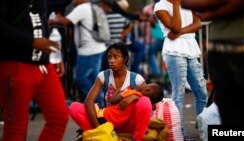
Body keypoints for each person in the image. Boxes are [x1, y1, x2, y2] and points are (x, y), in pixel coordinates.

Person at [0, 0, 69, 140]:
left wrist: (54, 56)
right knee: (16, 129)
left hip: (43, 65)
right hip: (15, 64)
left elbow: (42, 22)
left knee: (59, 118)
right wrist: (31, 42)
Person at [181, 0, 244, 125]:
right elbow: (187, 2)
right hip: (219, 50)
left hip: (242, 48)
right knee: (229, 115)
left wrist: (213, 13)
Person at [69, 43, 153, 141]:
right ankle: (99, 135)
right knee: (74, 107)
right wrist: (100, 129)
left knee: (145, 100)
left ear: (125, 58)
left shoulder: (137, 79)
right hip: (108, 124)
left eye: (116, 57)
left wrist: (134, 97)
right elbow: (89, 101)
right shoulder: (103, 76)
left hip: (129, 125)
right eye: (109, 57)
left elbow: (150, 103)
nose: (111, 61)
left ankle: (137, 138)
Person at [154, 0, 208, 140]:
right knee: (179, 93)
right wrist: (177, 5)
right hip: (174, 51)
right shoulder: (160, 7)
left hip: (191, 49)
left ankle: (202, 128)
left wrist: (180, 32)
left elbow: (198, 23)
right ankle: (180, 134)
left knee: (201, 92)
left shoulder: (187, 3)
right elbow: (175, 27)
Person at [48, 0, 109, 105]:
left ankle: (97, 103)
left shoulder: (82, 8)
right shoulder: (93, 7)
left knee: (80, 79)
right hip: (98, 48)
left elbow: (66, 21)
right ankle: (103, 103)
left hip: (88, 51)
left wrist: (53, 21)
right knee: (94, 80)